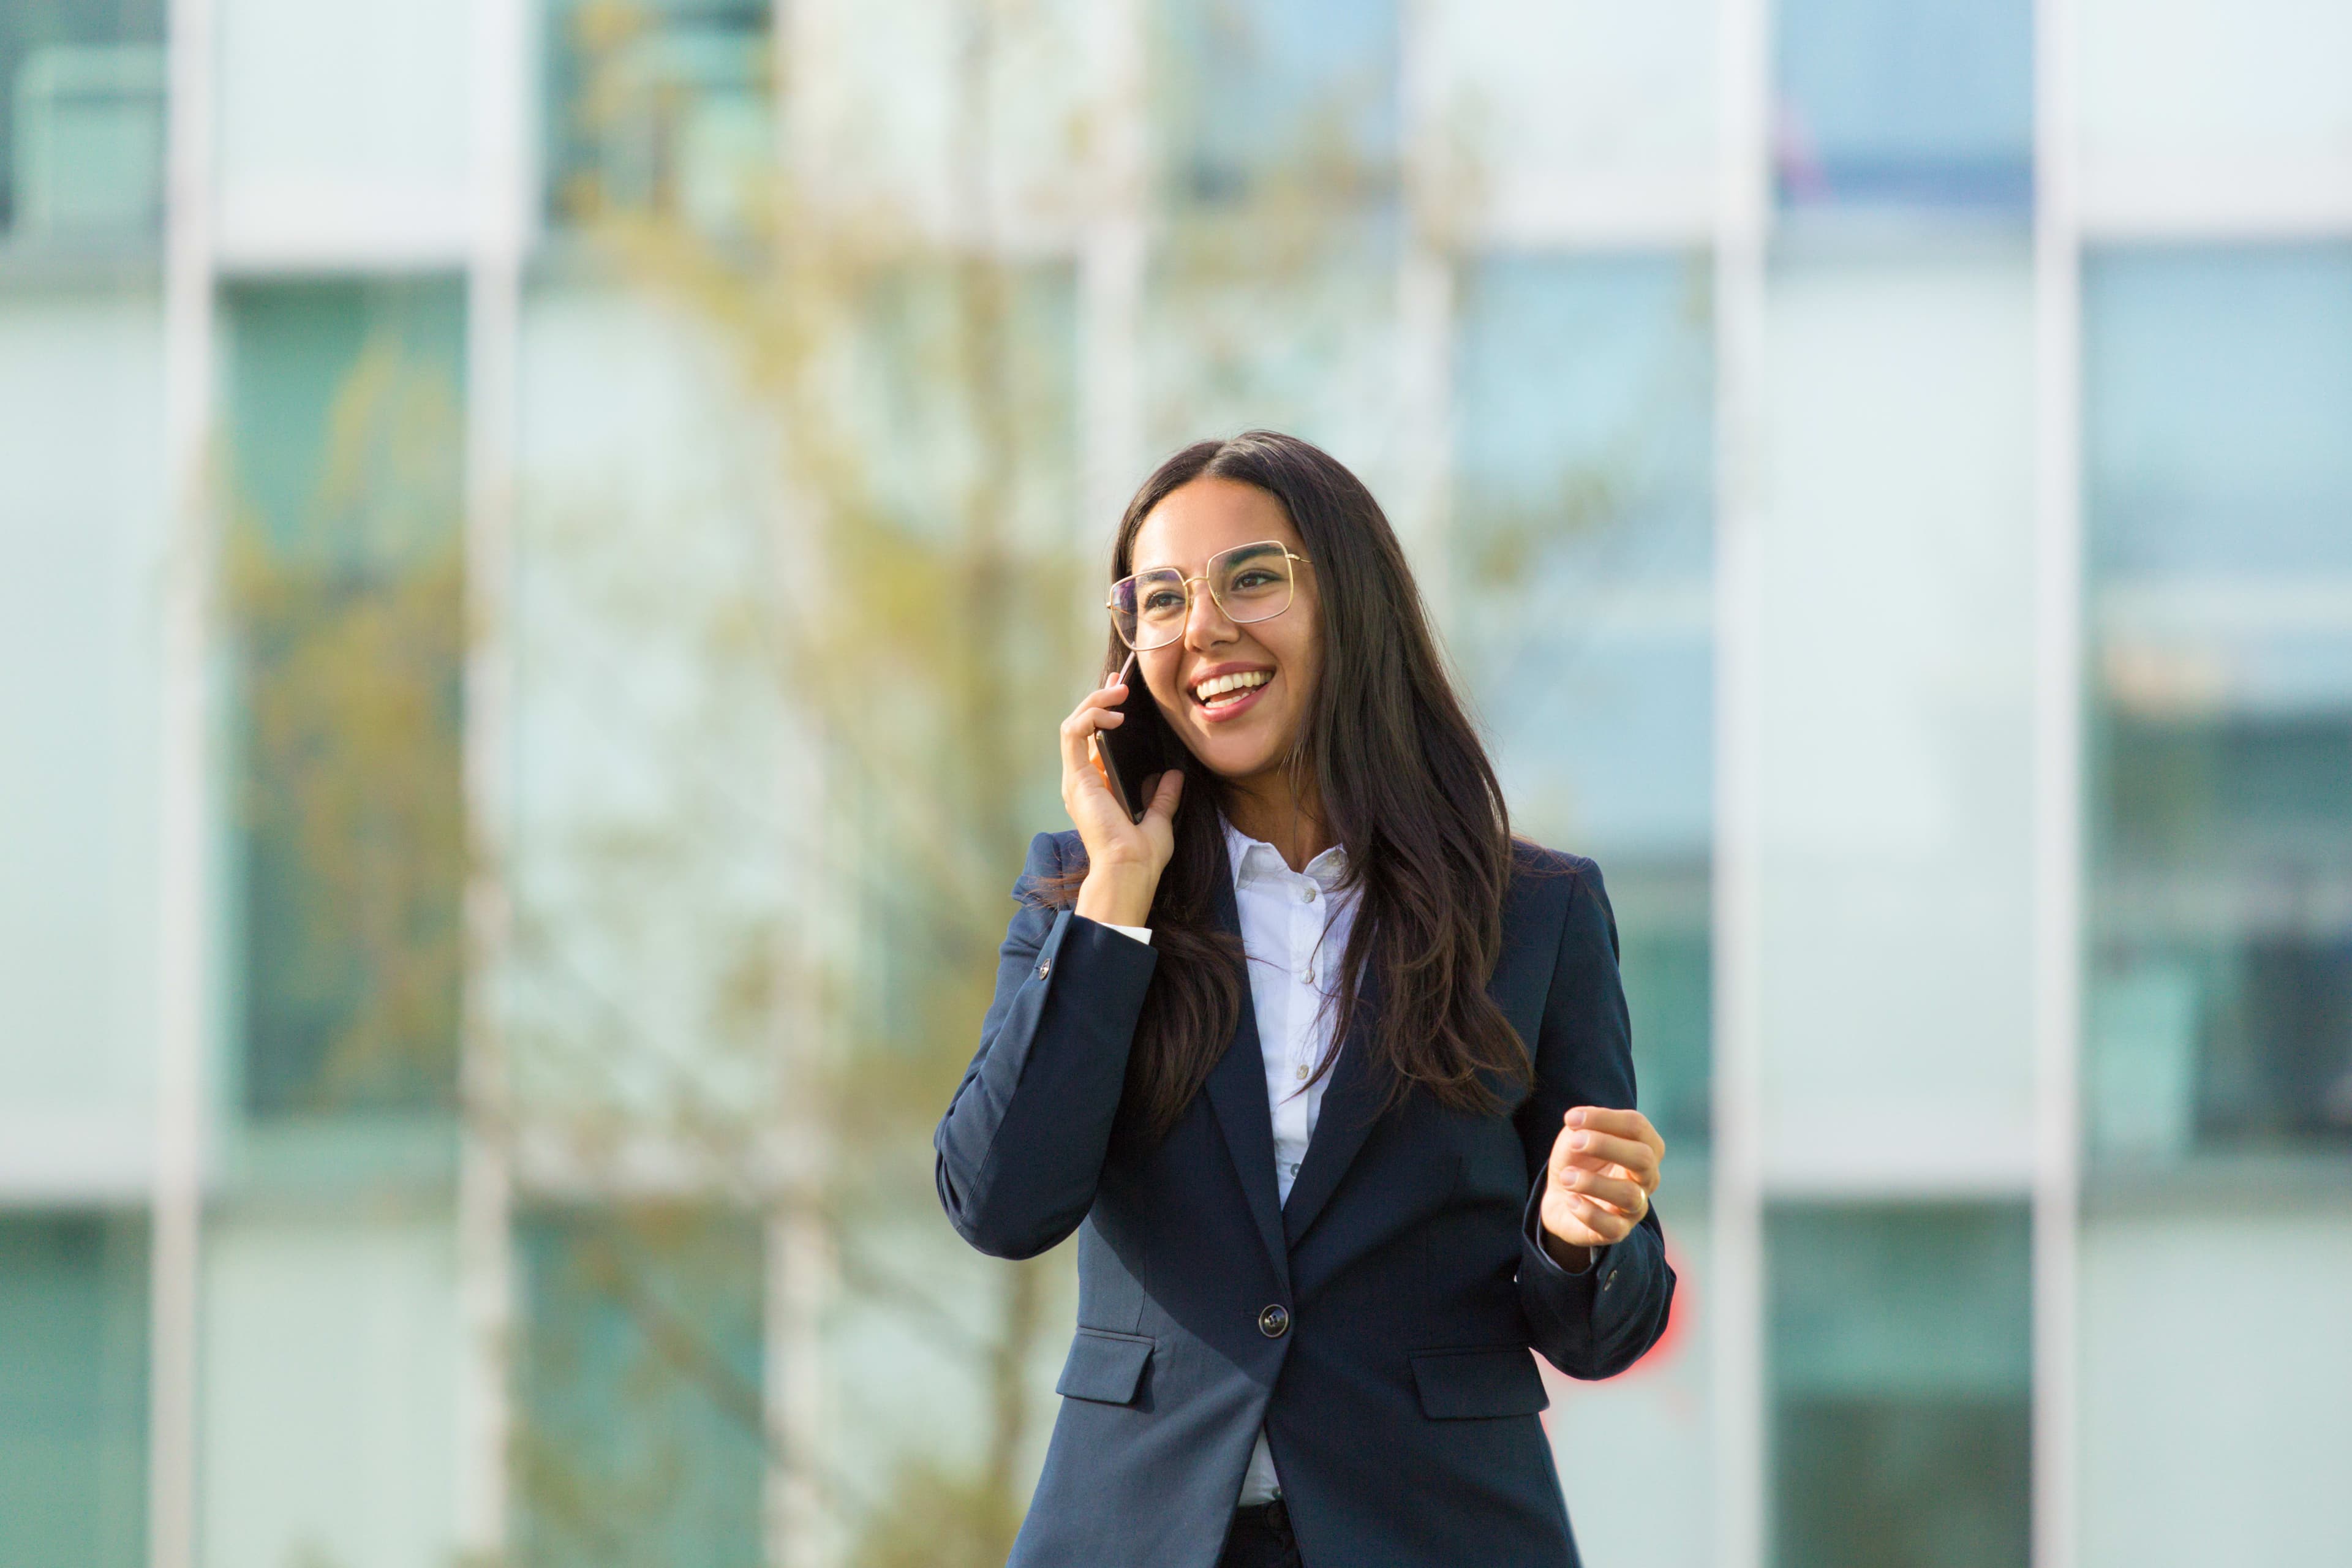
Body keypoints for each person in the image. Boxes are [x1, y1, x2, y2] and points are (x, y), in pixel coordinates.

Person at [933, 431, 1676, 1568]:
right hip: (1140, 1530)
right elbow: (999, 1203)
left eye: (1254, 578)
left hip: (1437, 1528)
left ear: (1351, 602)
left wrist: (1579, 1240)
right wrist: (1119, 893)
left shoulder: (1535, 911)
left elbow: (1604, 1332)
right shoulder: (1089, 894)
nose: (1205, 629)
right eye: (1162, 598)